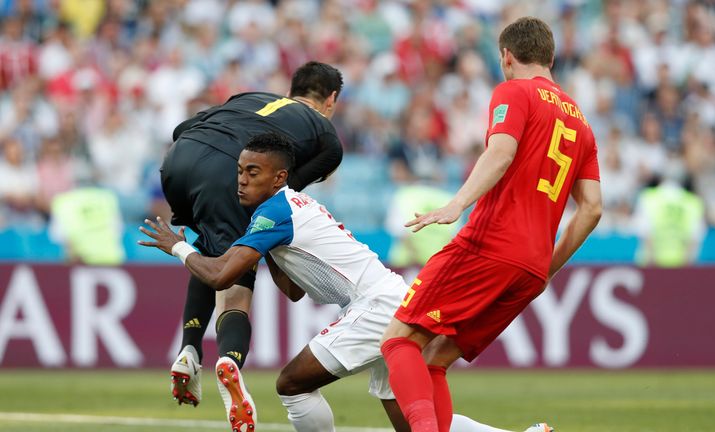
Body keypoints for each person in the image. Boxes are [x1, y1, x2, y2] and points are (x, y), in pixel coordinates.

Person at [140, 133, 548, 432]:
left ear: (279, 177)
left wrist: (178, 247)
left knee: (292, 385)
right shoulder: (281, 210)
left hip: (374, 306)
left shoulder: (276, 211)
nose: (241, 180)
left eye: (253, 172)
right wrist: (266, 250)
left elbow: (220, 275)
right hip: (390, 300)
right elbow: (295, 290)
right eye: (240, 172)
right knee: (410, 420)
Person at [379, 17, 603, 432]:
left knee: (398, 341)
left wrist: (456, 204)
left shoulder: (513, 90)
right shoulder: (582, 124)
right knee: (435, 359)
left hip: (490, 245)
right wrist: (546, 268)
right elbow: (592, 209)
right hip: (531, 268)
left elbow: (500, 152)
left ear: (506, 56)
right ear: (551, 58)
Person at [159, 61, 344, 412]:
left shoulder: (250, 96)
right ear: (331, 99)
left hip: (176, 163)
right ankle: (229, 359)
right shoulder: (327, 137)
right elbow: (278, 192)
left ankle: (189, 350)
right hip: (226, 172)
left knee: (210, 248)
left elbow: (182, 128)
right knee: (234, 285)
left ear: (292, 90)